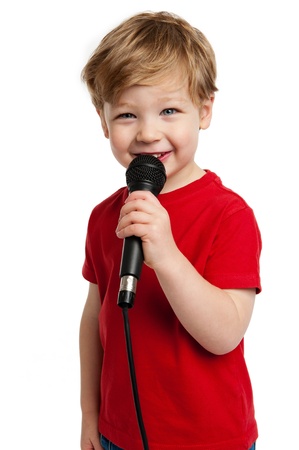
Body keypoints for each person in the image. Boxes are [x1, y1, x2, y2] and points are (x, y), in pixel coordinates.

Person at [79, 11, 262, 450]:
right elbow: (96, 319)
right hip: (119, 435)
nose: (147, 132)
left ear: (203, 111)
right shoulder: (107, 216)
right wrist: (90, 413)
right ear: (103, 121)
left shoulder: (228, 214)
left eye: (169, 110)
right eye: (126, 114)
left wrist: (168, 256)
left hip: (209, 438)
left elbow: (224, 334)